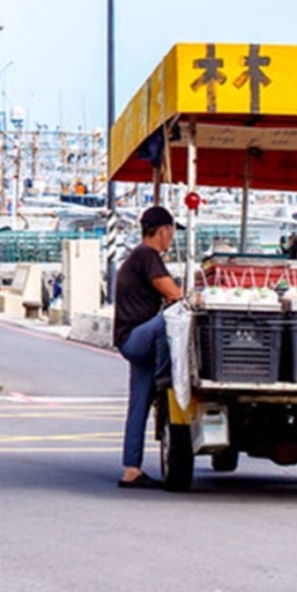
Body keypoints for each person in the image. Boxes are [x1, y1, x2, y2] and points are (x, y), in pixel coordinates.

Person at [114, 204, 184, 489]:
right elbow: (173, 294)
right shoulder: (147, 255)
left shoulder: (137, 256)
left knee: (139, 405)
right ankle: (165, 377)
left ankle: (131, 468)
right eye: (171, 232)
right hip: (136, 338)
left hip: (131, 337)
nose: (172, 239)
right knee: (171, 318)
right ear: (163, 231)